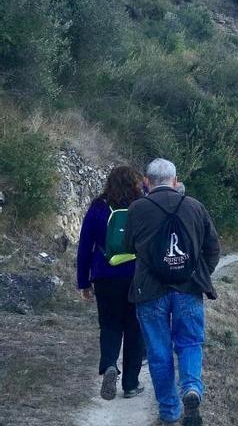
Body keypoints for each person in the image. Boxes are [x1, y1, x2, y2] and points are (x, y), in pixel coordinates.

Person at [125, 158, 220, 426]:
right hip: (188, 289)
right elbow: (213, 248)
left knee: (158, 351)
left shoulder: (137, 209)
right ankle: (191, 388)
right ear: (175, 181)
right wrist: (199, 274)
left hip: (149, 290)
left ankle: (169, 412)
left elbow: (129, 245)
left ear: (147, 181)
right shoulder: (194, 207)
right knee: (190, 342)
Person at [76, 166, 145, 401]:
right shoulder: (142, 206)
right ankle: (131, 385)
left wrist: (83, 282)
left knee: (109, 324)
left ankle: (108, 366)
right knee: (135, 329)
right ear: (135, 183)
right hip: (137, 275)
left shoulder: (98, 207)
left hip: (105, 275)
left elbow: (85, 246)